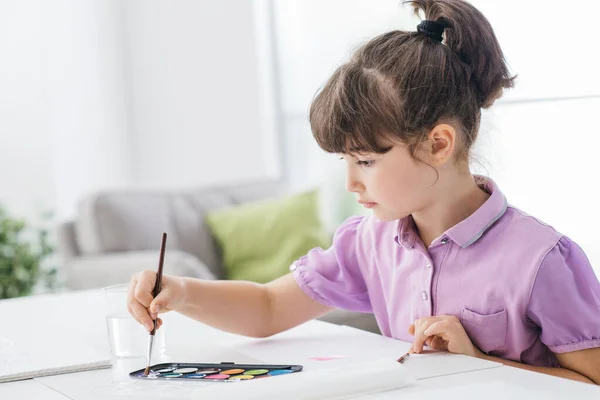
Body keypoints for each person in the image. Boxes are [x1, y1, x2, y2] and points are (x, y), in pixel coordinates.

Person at [127, 0, 600, 384]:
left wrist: (477, 359)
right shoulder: (369, 241)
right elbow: (269, 308)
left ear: (438, 144)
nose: (352, 183)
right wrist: (182, 292)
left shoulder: (542, 259)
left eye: (367, 161)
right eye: (346, 162)